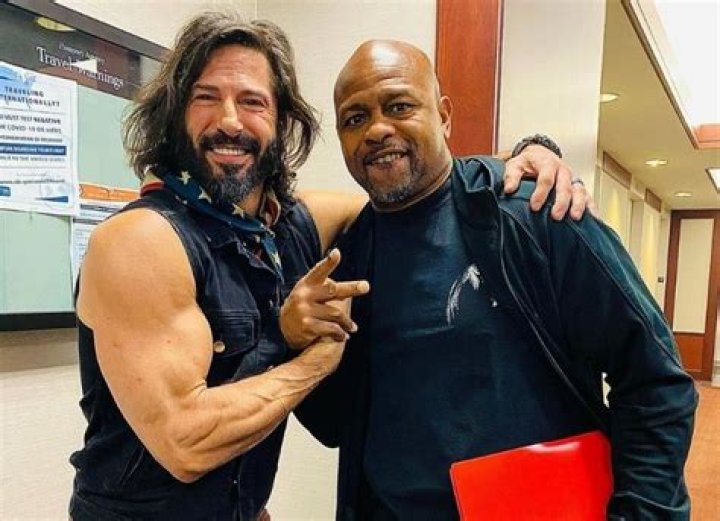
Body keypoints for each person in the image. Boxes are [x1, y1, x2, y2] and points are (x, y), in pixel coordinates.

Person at [69, 13, 587, 521]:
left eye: (252, 101)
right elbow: (186, 444)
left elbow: (421, 191)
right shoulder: (139, 241)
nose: (229, 120)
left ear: (281, 122)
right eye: (205, 97)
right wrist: (312, 355)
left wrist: (526, 157)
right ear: (174, 114)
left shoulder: (290, 225)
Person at [290, 40, 698, 520]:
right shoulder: (348, 263)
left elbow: (655, 379)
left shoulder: (536, 215)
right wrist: (300, 347)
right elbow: (336, 426)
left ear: (443, 116)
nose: (377, 129)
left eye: (399, 106)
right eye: (355, 118)